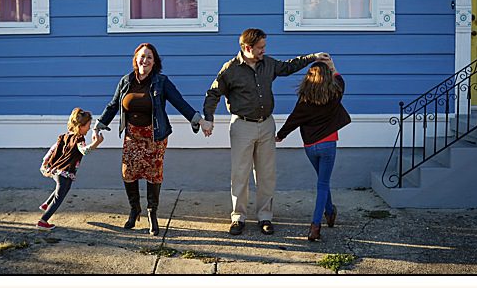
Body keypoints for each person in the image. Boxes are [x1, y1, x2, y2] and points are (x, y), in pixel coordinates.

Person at [202, 29, 328, 235]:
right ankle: (238, 217)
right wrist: (209, 118)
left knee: (266, 174)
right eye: (260, 48)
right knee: (240, 174)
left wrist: (313, 58)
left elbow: (288, 67)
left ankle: (265, 216)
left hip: (267, 124)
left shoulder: (268, 64)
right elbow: (213, 93)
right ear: (247, 48)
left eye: (264, 47)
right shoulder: (230, 69)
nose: (263, 51)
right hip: (242, 126)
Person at [94, 43, 199, 236]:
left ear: (154, 62)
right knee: (128, 173)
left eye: (149, 57)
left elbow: (179, 101)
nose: (145, 60)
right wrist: (100, 124)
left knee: (153, 174)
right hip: (132, 136)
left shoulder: (161, 81)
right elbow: (113, 105)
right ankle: (135, 209)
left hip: (154, 137)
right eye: (142, 56)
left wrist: (196, 118)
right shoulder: (126, 81)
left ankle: (152, 213)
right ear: (135, 59)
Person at [275, 58, 351, 242]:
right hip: (328, 144)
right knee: (323, 183)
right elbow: (339, 78)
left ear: (308, 78)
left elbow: (293, 119)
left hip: (310, 146)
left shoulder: (304, 99)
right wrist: (331, 65)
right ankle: (315, 225)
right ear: (327, 77)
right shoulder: (336, 92)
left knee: (322, 181)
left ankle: (330, 211)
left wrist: (280, 135)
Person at [36, 107, 104, 230]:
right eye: (88, 125)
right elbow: (84, 151)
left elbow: (52, 149)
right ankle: (43, 221)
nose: (89, 128)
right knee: (59, 196)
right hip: (65, 171)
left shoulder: (64, 136)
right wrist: (96, 143)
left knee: (63, 189)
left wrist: (45, 162)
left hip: (57, 170)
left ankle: (46, 204)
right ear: (80, 126)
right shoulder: (79, 138)